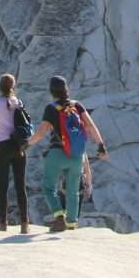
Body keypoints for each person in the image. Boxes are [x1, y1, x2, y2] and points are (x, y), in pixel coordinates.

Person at [24, 74, 107, 232]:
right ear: (66, 89)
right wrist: (101, 146)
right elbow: (91, 126)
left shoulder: (51, 108)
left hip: (57, 154)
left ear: (51, 91)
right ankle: (72, 224)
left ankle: (59, 216)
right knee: (73, 191)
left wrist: (27, 144)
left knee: (48, 187)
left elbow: (41, 133)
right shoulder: (77, 106)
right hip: (76, 155)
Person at [0, 72, 29, 233]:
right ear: (13, 87)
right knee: (20, 185)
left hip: (1, 145)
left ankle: (3, 223)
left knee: (2, 185)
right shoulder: (18, 102)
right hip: (18, 145)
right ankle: (24, 224)